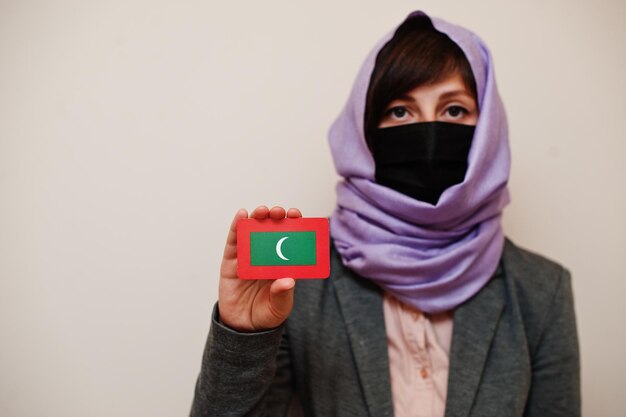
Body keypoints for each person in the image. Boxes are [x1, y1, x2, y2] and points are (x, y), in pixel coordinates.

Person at [190, 11, 580, 417]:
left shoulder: (541, 291)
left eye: (454, 111)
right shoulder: (300, 276)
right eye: (399, 111)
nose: (429, 131)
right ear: (366, 131)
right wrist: (243, 336)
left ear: (488, 133)